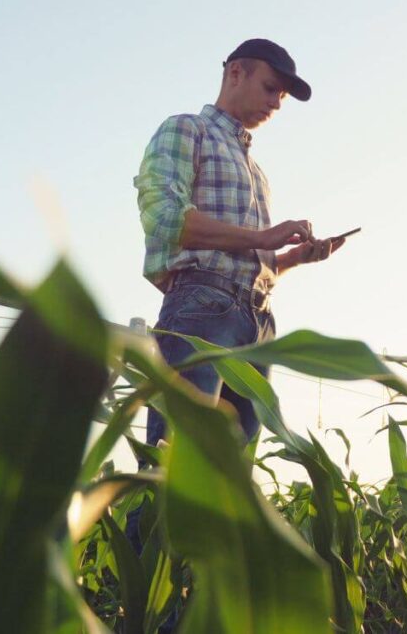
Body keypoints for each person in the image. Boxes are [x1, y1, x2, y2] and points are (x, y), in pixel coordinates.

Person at [127, 38, 344, 558]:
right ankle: (136, 607)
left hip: (255, 322)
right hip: (201, 310)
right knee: (175, 467)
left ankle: (191, 612)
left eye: (283, 97)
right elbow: (164, 220)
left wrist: (291, 259)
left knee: (226, 487)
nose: (276, 103)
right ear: (236, 73)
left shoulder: (257, 171)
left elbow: (250, 263)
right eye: (271, 88)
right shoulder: (187, 130)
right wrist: (264, 239)